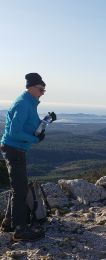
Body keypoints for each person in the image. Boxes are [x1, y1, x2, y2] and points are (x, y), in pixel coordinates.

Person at [0, 73, 56, 242]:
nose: (42, 93)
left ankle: (9, 222)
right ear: (31, 87)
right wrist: (34, 139)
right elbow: (14, 132)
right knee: (20, 189)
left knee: (18, 186)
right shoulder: (23, 104)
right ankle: (19, 230)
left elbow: (29, 125)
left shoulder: (29, 104)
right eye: (41, 89)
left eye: (44, 90)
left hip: (16, 149)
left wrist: (45, 123)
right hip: (13, 149)